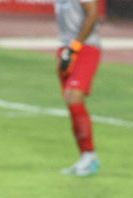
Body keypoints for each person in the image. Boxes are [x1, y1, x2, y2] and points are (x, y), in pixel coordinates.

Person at [54, 0, 101, 176]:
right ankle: (86, 157)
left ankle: (89, 156)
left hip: (85, 48)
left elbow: (93, 13)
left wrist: (75, 47)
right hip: (65, 48)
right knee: (71, 103)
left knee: (75, 98)